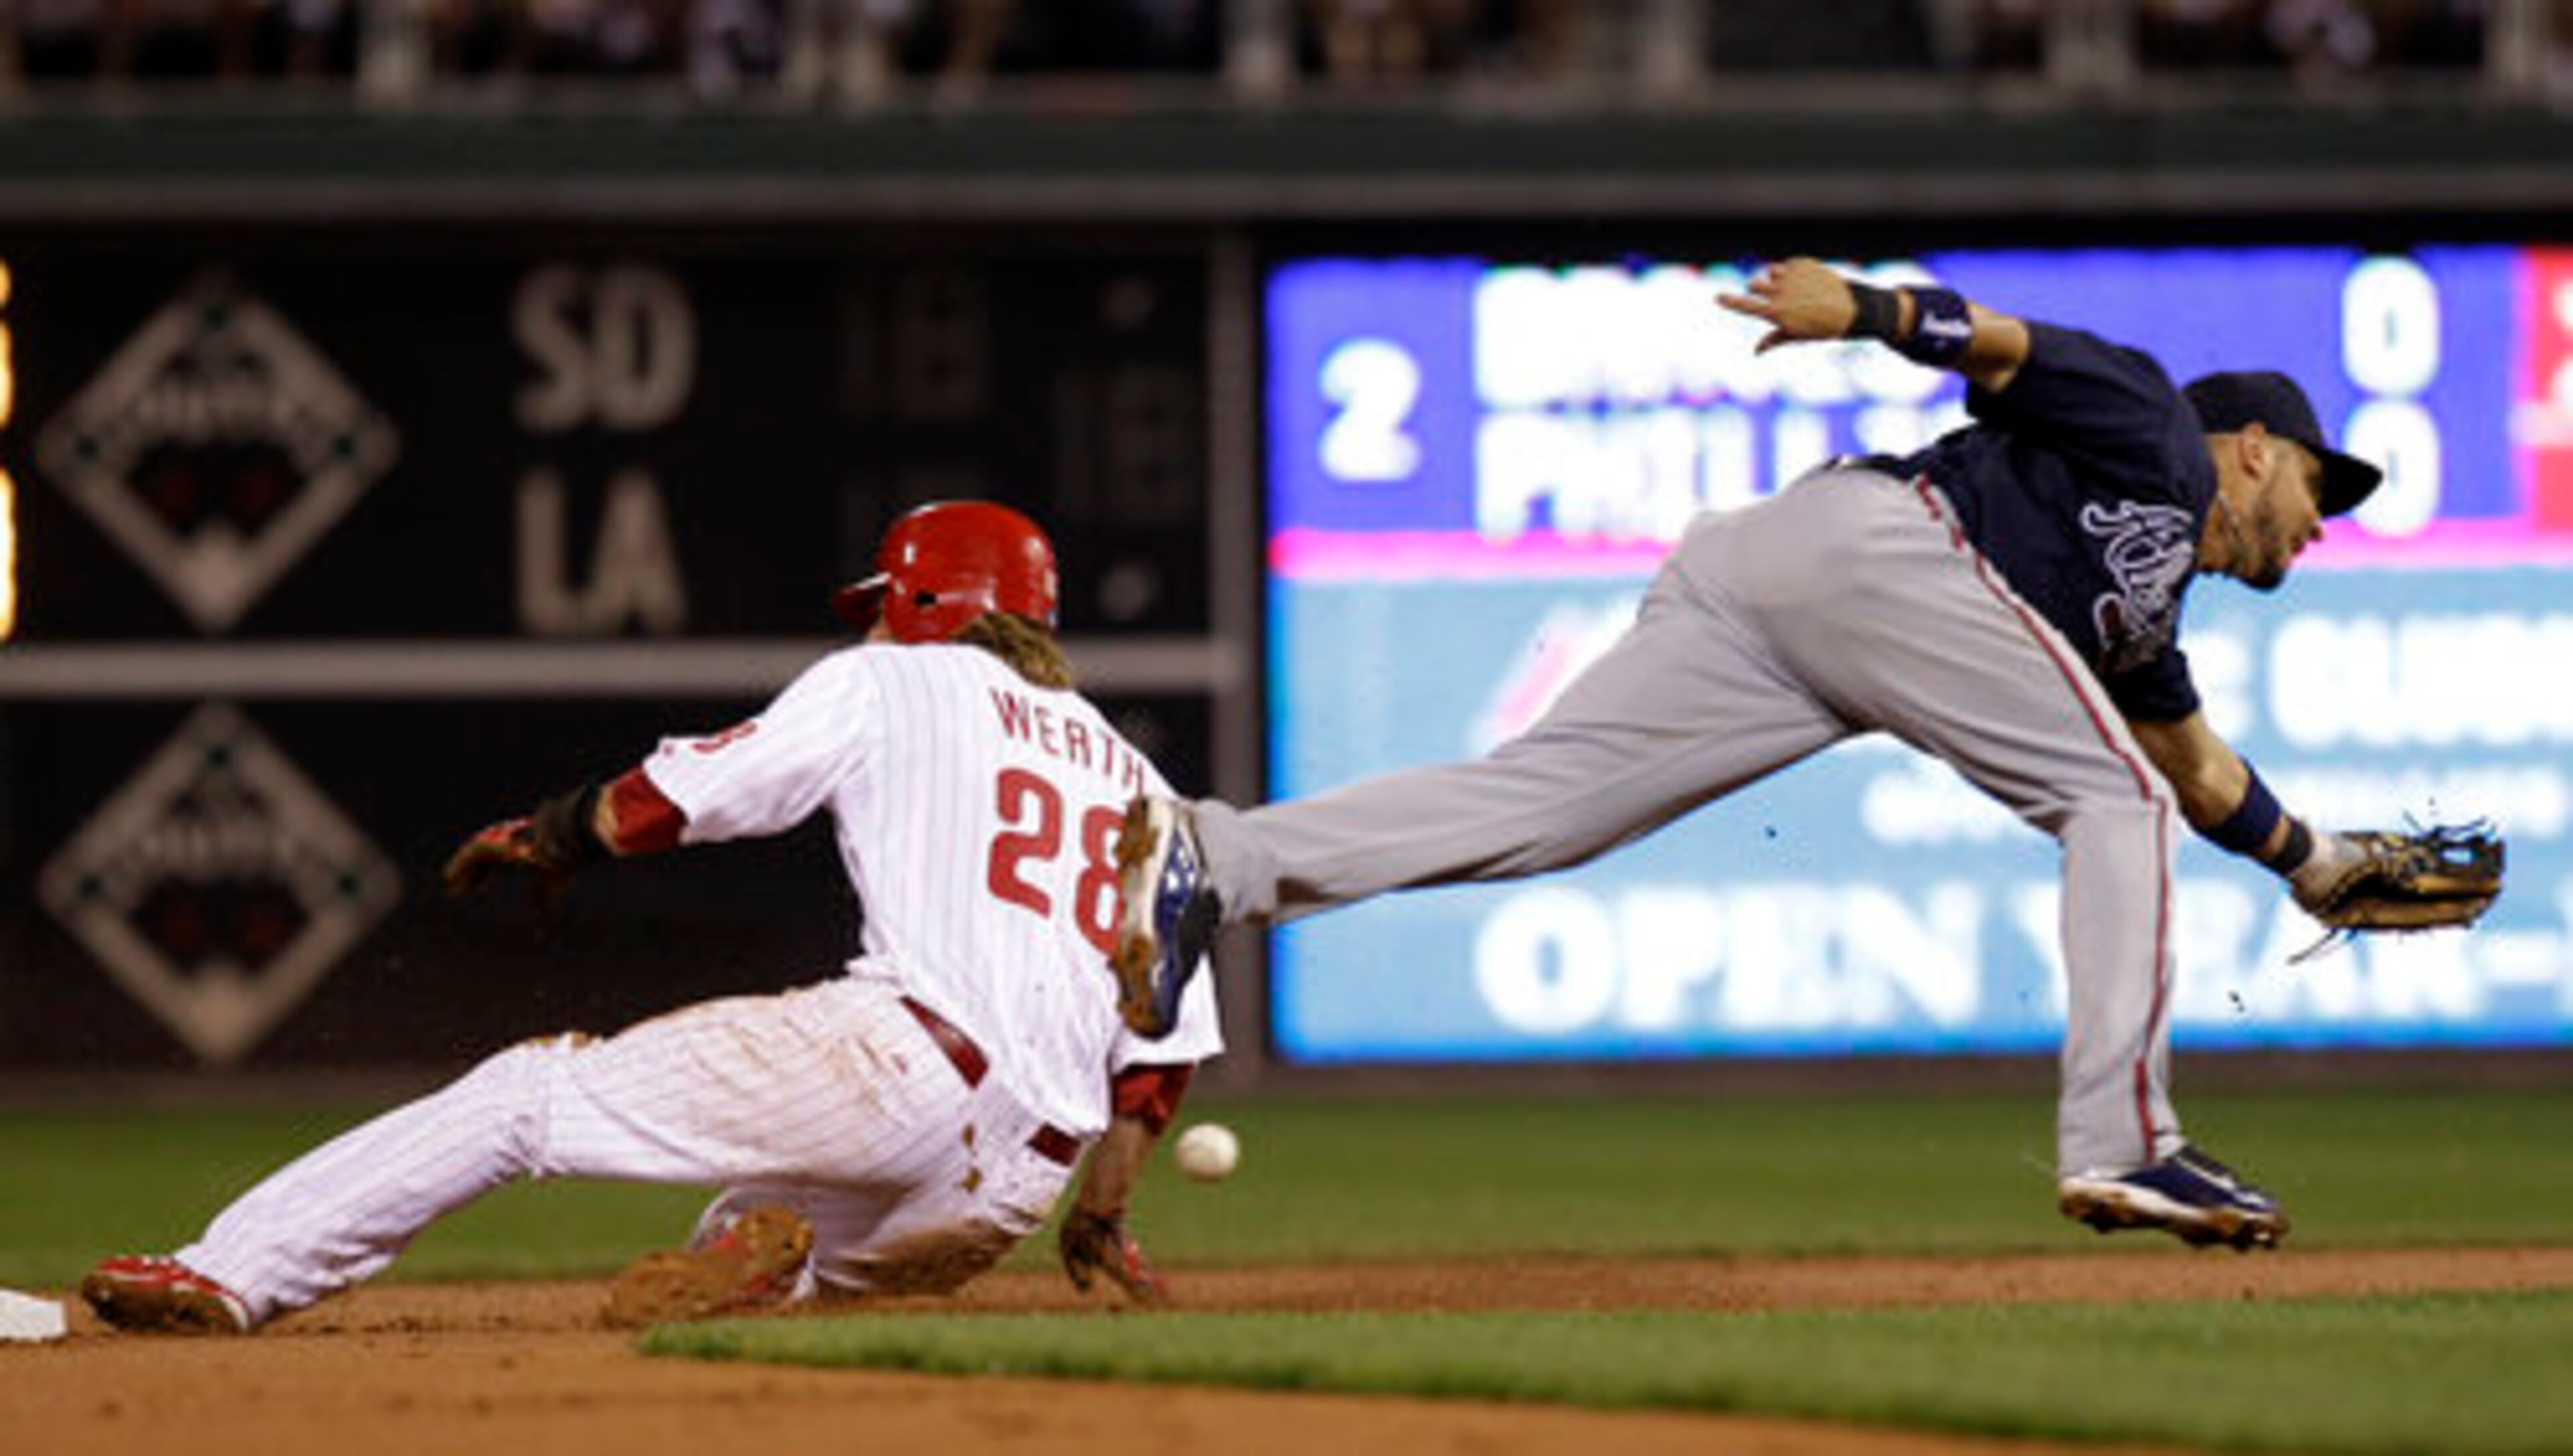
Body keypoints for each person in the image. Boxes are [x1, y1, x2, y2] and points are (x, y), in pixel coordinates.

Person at [1113, 256, 2389, 1252]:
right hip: (1887, 546)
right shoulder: (2163, 431)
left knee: (1540, 809)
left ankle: (1212, 858)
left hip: (1775, 583)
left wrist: (2316, 861)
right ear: (2256, 449)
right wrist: (1875, 311)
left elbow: (2200, 769)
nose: (2320, 525)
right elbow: (2012, 351)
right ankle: (2125, 1138)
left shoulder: (2144, 623)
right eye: (2320, 490)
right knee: (2108, 797)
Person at [84, 500, 1222, 1335]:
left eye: (887, 607)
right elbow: (1158, 1050)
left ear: (926, 602)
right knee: (762, 1227)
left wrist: (567, 826)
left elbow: (708, 788)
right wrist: (1100, 1210)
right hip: (1021, 1175)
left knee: (528, 1098)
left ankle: (231, 1269)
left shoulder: (892, 679)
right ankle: (781, 1265)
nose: (875, 626)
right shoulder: (1145, 783)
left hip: (900, 1066)